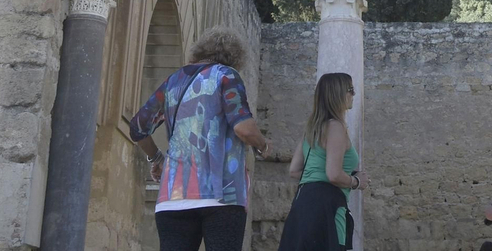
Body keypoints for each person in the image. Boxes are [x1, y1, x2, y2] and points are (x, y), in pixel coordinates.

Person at [130, 26, 268, 251]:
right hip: (222, 195)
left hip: (173, 197)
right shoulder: (226, 75)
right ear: (235, 56)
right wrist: (263, 145)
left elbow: (137, 128)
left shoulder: (173, 81)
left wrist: (156, 158)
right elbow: (244, 128)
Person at [277, 72, 362, 251]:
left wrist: (318, 176)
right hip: (328, 206)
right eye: (351, 90)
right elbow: (333, 175)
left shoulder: (312, 129)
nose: (354, 94)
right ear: (338, 94)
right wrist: (356, 181)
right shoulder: (336, 127)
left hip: (303, 203)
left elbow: (294, 170)